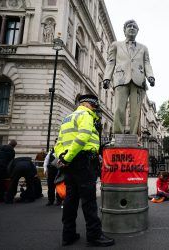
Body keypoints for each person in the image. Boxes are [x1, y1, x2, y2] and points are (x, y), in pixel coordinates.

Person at [54, 94, 114, 247]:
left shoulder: (67, 118)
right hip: (83, 161)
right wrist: (70, 157)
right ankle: (94, 236)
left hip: (70, 163)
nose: (95, 110)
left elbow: (59, 142)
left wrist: (63, 157)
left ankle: (68, 235)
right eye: (94, 106)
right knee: (88, 201)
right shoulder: (86, 115)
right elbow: (83, 137)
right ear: (87, 104)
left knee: (70, 200)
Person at [103, 19, 155, 135]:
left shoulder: (143, 48)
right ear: (124, 30)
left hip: (138, 81)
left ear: (137, 31)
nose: (132, 28)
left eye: (134, 27)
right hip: (121, 79)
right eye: (129, 26)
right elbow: (111, 62)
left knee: (136, 112)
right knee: (119, 109)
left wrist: (150, 76)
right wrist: (107, 77)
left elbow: (147, 63)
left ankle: (134, 137)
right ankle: (118, 135)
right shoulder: (116, 45)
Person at [43, 138, 62, 206]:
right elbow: (46, 160)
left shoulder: (62, 150)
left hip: (59, 170)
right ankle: (50, 200)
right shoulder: (51, 151)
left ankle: (59, 200)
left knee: (58, 185)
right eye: (56, 142)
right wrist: (45, 169)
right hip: (51, 170)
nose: (57, 143)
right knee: (50, 186)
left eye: (58, 142)